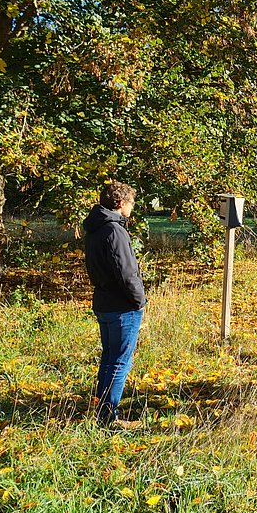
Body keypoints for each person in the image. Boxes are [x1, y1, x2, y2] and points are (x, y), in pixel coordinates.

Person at [84, 181, 147, 427]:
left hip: (103, 300)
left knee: (110, 358)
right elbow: (127, 272)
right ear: (121, 203)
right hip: (122, 306)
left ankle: (102, 410)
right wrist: (139, 301)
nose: (132, 207)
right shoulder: (114, 230)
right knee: (120, 361)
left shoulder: (95, 228)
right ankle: (109, 417)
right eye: (131, 203)